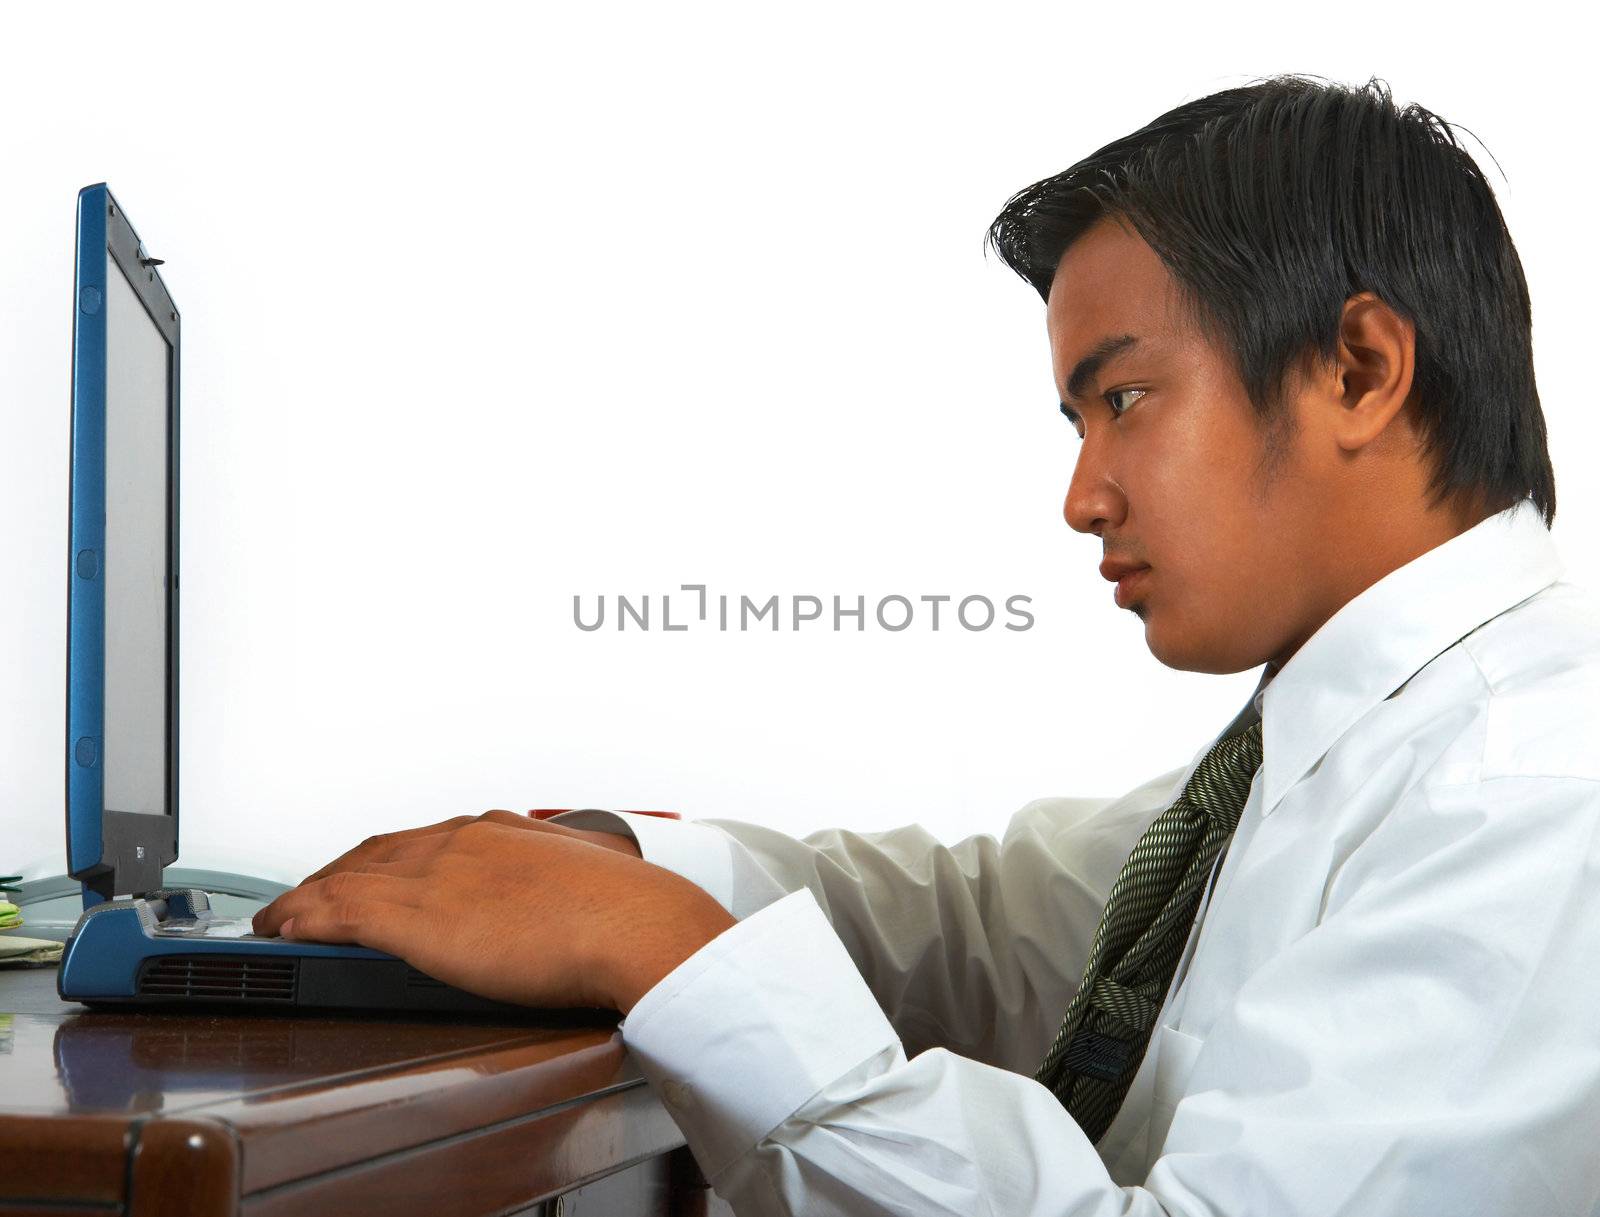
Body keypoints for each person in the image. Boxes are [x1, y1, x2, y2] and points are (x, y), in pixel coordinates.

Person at [253, 74, 1600, 1215]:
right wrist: (606, 866)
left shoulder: (1529, 785)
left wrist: (658, 948)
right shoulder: (1336, 748)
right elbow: (981, 926)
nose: (1084, 496)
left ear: (1357, 369)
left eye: (1124, 398)